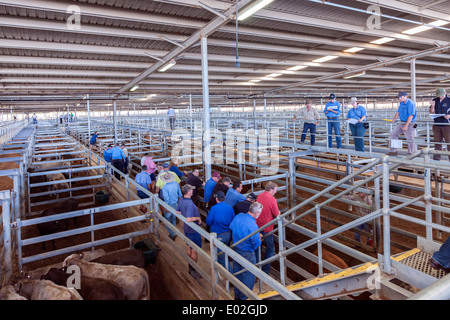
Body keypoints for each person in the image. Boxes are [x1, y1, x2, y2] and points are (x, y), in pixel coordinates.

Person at [229, 202, 263, 300]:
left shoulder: (239, 216)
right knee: (248, 276)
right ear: (256, 213)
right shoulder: (253, 226)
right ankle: (244, 298)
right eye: (260, 212)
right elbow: (256, 244)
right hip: (247, 253)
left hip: (236, 249)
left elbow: (231, 227)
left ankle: (237, 296)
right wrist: (259, 237)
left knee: (238, 273)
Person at [177, 184, 202, 279]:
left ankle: (190, 267)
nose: (192, 191)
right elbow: (188, 219)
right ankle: (193, 270)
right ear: (188, 192)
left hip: (186, 228)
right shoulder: (190, 203)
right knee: (194, 249)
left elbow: (178, 212)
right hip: (193, 229)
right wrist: (198, 218)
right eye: (191, 190)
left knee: (189, 246)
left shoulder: (181, 200)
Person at [205, 191, 235, 270]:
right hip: (228, 234)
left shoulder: (214, 208)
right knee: (225, 252)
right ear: (224, 198)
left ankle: (231, 277)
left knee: (221, 256)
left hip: (218, 235)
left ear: (216, 199)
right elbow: (233, 220)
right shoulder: (230, 207)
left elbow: (208, 221)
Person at [256, 182, 280, 275]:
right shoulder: (272, 199)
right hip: (267, 228)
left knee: (259, 246)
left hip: (258, 226)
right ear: (271, 189)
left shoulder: (260, 196)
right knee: (270, 248)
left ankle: (257, 268)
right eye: (275, 190)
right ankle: (265, 271)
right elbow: (277, 214)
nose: (275, 192)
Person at [388, 91, 417, 156]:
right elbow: (398, 112)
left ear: (406, 96)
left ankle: (411, 154)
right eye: (399, 97)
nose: (399, 98)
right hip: (401, 122)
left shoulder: (410, 104)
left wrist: (406, 126)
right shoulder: (401, 103)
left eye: (401, 97)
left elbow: (411, 115)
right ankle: (394, 151)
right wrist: (394, 119)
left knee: (410, 138)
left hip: (410, 123)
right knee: (393, 134)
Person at [429, 88, 450, 161]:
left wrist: (449, 116)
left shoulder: (449, 100)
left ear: (445, 93)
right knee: (437, 143)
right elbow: (431, 112)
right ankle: (436, 160)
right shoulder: (435, 100)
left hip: (447, 125)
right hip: (437, 124)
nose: (440, 97)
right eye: (439, 95)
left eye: (441, 95)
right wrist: (432, 106)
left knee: (449, 143)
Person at [161, 172, 182, 241]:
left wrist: (166, 207)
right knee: (173, 218)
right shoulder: (176, 184)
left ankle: (172, 233)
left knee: (166, 220)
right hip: (175, 204)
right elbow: (180, 194)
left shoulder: (165, 187)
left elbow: (166, 199)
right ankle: (174, 231)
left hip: (169, 205)